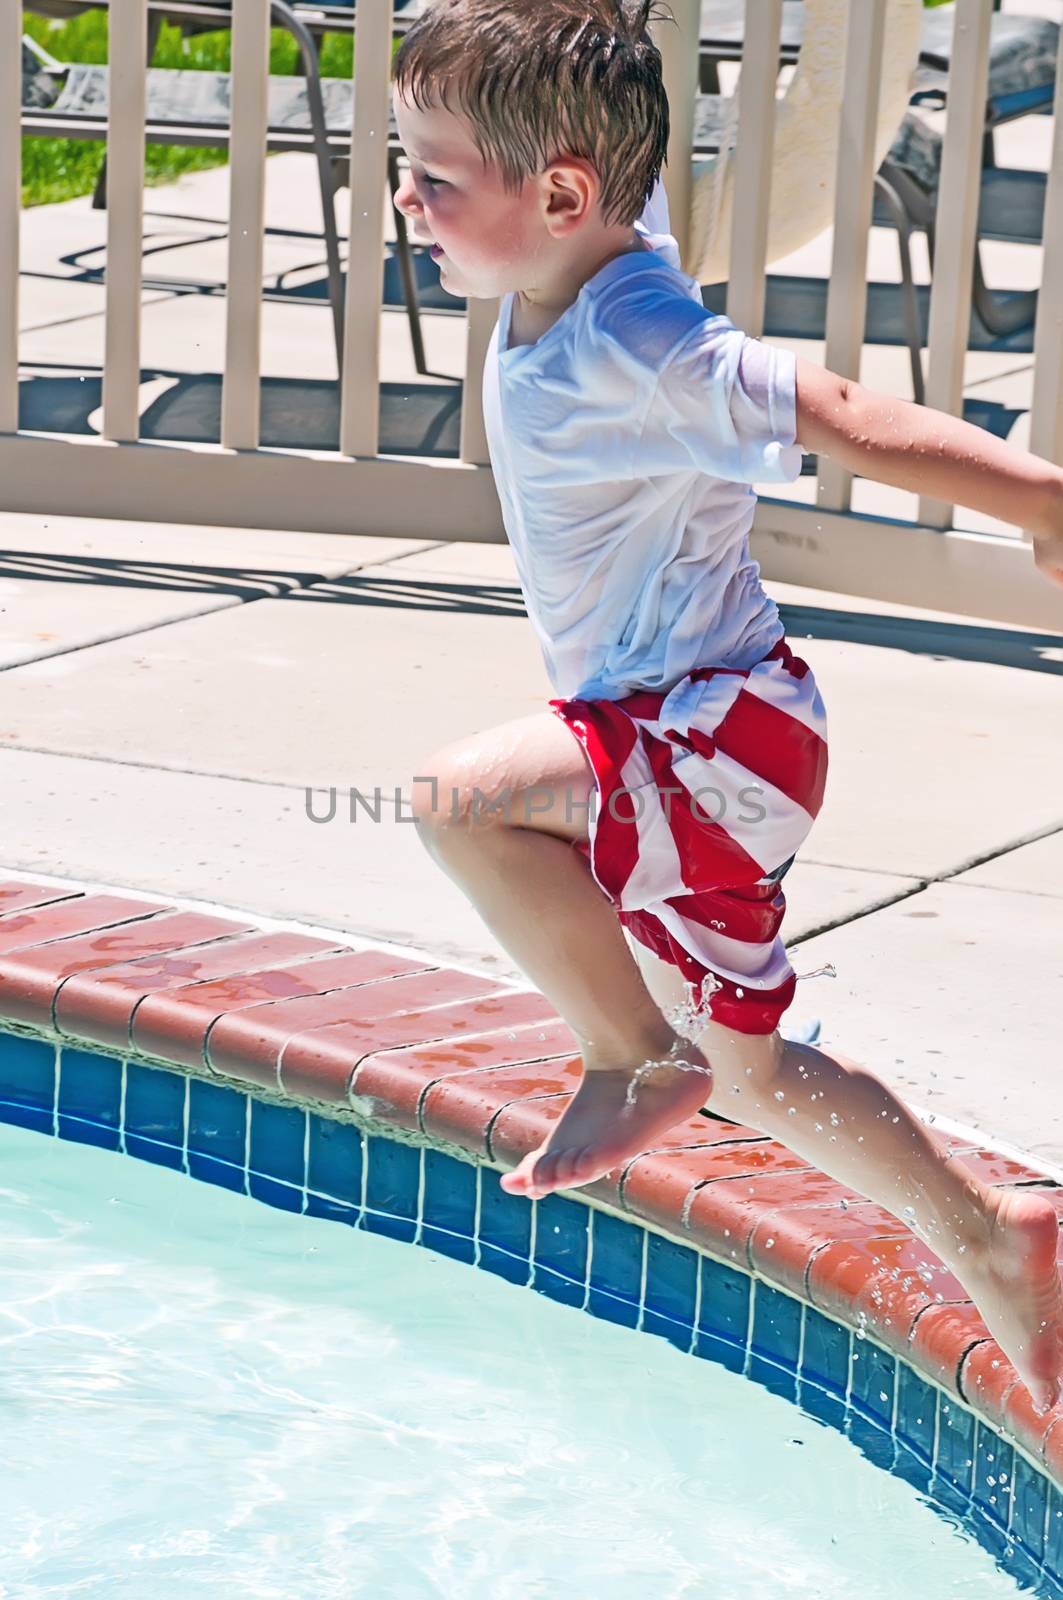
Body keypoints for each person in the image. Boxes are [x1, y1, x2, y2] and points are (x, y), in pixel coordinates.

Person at [391, 0, 1063, 1413]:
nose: (407, 195)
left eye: (435, 173)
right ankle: (994, 1238)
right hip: (697, 732)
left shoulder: (634, 336)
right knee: (749, 1075)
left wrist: (1037, 502)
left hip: (712, 738)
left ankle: (626, 1054)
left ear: (562, 191)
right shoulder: (573, 275)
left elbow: (831, 413)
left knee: (463, 799)